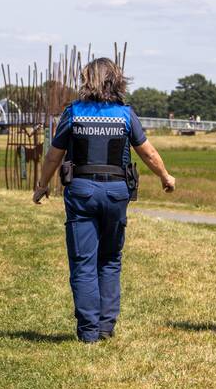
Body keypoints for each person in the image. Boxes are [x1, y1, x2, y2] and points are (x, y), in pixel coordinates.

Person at [33, 58, 177, 344]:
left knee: (84, 261)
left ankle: (88, 331)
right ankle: (105, 326)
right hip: (116, 192)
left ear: (87, 80)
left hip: (82, 191)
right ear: (116, 80)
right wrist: (165, 176)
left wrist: (41, 186)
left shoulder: (73, 113)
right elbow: (147, 152)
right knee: (110, 259)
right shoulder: (124, 114)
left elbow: (54, 154)